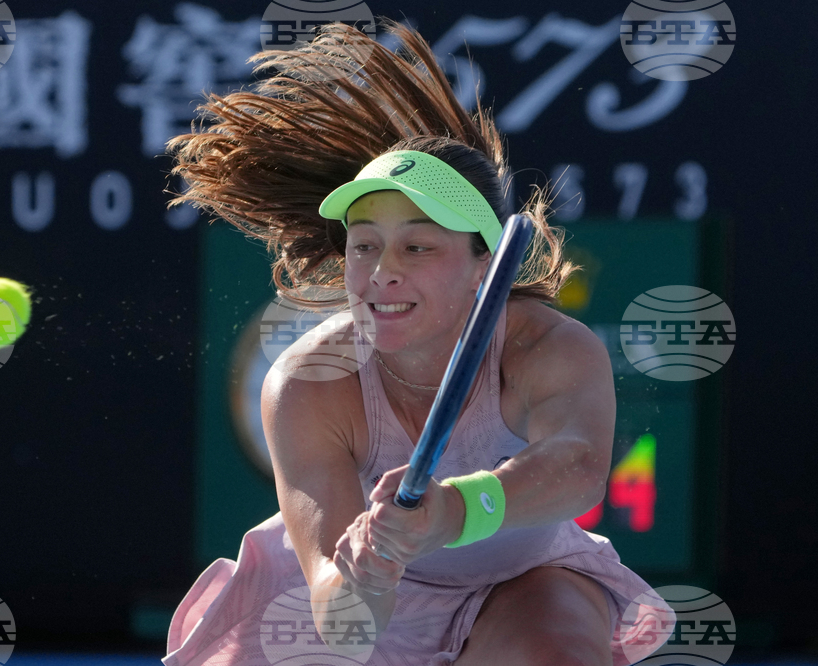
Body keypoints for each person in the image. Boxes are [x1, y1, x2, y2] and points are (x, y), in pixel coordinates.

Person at [162, 20, 674, 666]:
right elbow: (343, 622)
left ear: (483, 267)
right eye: (366, 246)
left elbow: (577, 470)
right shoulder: (305, 383)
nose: (382, 272)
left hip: (520, 587)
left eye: (418, 247)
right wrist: (366, 580)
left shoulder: (548, 348)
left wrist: (451, 513)